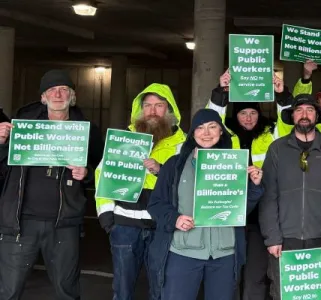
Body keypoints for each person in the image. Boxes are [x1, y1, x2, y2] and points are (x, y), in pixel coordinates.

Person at [0, 69, 102, 300]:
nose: (58, 94)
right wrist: (0, 143)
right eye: (51, 90)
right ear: (43, 97)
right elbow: (2, 169)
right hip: (21, 222)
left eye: (63, 89)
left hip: (64, 223)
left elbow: (103, 170)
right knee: (9, 291)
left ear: (72, 96)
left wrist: (86, 173)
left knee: (67, 290)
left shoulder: (87, 131)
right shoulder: (23, 129)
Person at [146, 109, 263, 300]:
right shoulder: (174, 166)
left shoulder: (234, 165)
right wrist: (175, 219)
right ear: (192, 133)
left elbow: (240, 210)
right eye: (199, 128)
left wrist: (255, 186)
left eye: (212, 127)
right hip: (183, 252)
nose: (206, 133)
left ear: (221, 131)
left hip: (224, 255)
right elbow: (156, 204)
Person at [206, 71, 294, 300]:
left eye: (253, 112)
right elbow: (210, 120)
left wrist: (282, 95)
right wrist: (220, 92)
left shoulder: (269, 133)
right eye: (243, 113)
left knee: (255, 275)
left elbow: (287, 124)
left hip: (260, 217)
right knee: (230, 273)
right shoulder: (224, 135)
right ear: (236, 115)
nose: (248, 118)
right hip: (229, 213)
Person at [94, 83, 186, 300]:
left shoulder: (184, 143)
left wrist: (159, 170)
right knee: (122, 290)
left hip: (163, 227)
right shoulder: (123, 139)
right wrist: (108, 219)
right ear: (140, 109)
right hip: (125, 226)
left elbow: (187, 181)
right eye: (147, 105)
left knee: (161, 287)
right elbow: (102, 175)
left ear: (170, 110)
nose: (152, 111)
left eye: (159, 105)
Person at [259, 95, 321, 300]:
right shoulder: (277, 148)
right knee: (285, 293)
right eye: (299, 110)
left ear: (317, 116)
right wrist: (272, 237)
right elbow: (268, 196)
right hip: (284, 240)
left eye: (309, 110)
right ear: (292, 116)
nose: (304, 115)